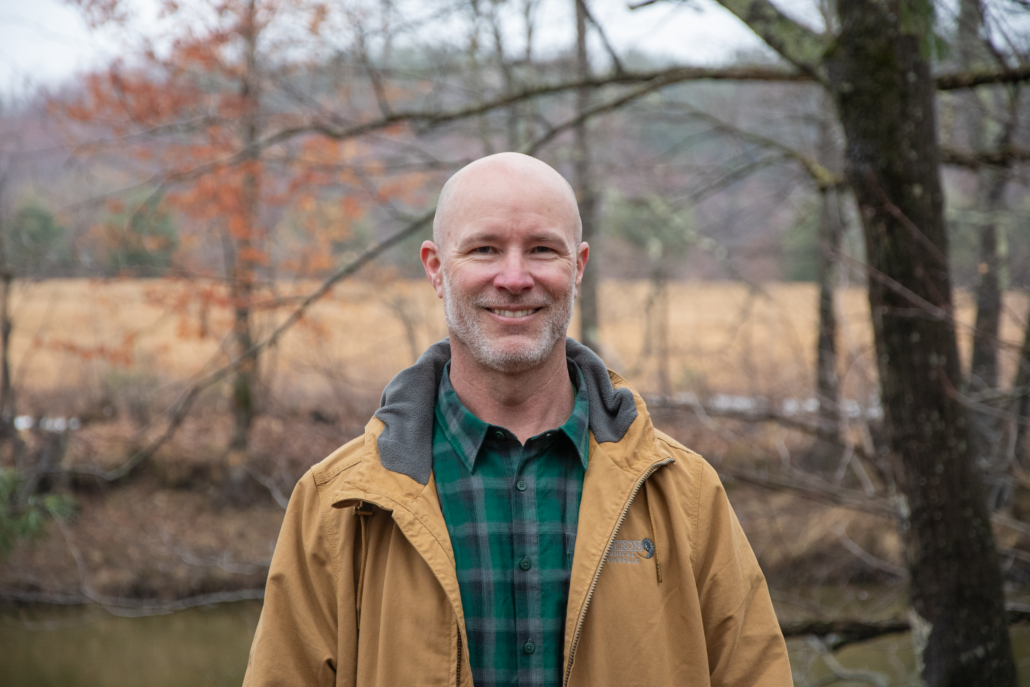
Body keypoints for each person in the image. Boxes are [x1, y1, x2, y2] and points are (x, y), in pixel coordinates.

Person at [243, 153, 792, 687]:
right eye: (484, 249)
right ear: (436, 269)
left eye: (541, 249)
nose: (513, 277)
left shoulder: (685, 496)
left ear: (577, 267)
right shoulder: (337, 505)